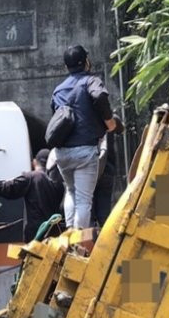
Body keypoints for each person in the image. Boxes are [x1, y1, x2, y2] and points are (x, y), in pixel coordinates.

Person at [50, 45, 118, 230]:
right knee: (84, 199)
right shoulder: (90, 81)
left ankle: (70, 235)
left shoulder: (58, 90)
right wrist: (109, 122)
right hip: (84, 152)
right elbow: (100, 97)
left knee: (70, 192)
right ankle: (79, 243)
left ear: (66, 67)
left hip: (62, 154)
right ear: (86, 62)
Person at [0, 148, 64, 242]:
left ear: (34, 162)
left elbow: (7, 188)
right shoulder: (59, 183)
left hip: (35, 234)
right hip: (54, 235)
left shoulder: (32, 177)